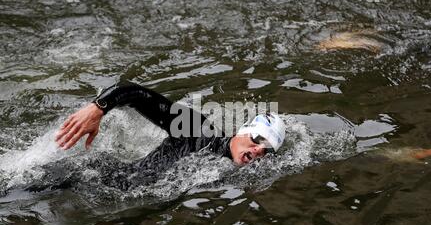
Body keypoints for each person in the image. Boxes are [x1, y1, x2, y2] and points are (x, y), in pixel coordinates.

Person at [55, 81, 286, 173]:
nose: (258, 151)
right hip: (91, 178)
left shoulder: (234, 171)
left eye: (266, 151)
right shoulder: (198, 131)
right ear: (243, 130)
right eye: (257, 140)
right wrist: (97, 109)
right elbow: (136, 93)